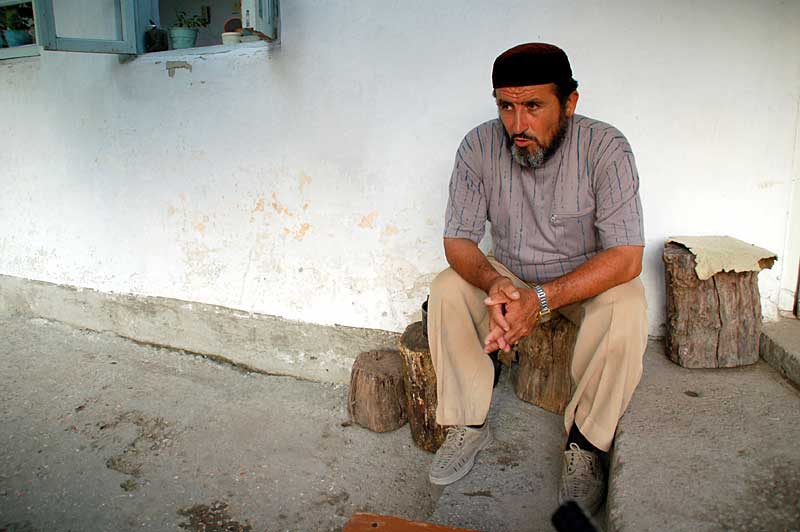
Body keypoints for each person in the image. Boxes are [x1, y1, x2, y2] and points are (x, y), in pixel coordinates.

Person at [427, 42, 648, 514]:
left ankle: (585, 444)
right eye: (506, 107)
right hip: (510, 276)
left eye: (533, 106)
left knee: (628, 303)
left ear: (569, 103)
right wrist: (494, 284)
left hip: (580, 282)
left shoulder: (606, 148)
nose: (517, 124)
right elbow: (458, 240)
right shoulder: (478, 146)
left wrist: (542, 300)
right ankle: (467, 423)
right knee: (447, 286)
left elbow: (627, 257)